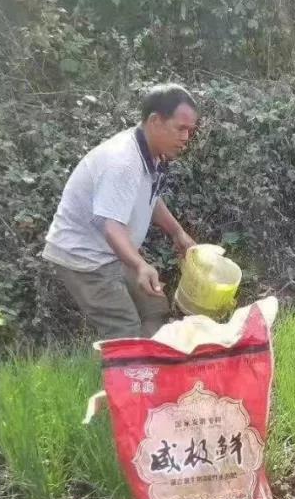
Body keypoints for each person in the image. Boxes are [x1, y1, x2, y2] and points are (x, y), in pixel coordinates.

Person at [42, 84, 200, 340]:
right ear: (155, 121)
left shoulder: (151, 153)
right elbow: (111, 227)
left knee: (155, 308)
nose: (186, 138)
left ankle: (149, 371)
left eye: (190, 130)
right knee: (123, 331)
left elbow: (150, 200)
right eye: (180, 128)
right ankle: (125, 373)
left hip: (111, 250)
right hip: (85, 257)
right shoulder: (123, 161)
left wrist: (177, 233)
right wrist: (140, 264)